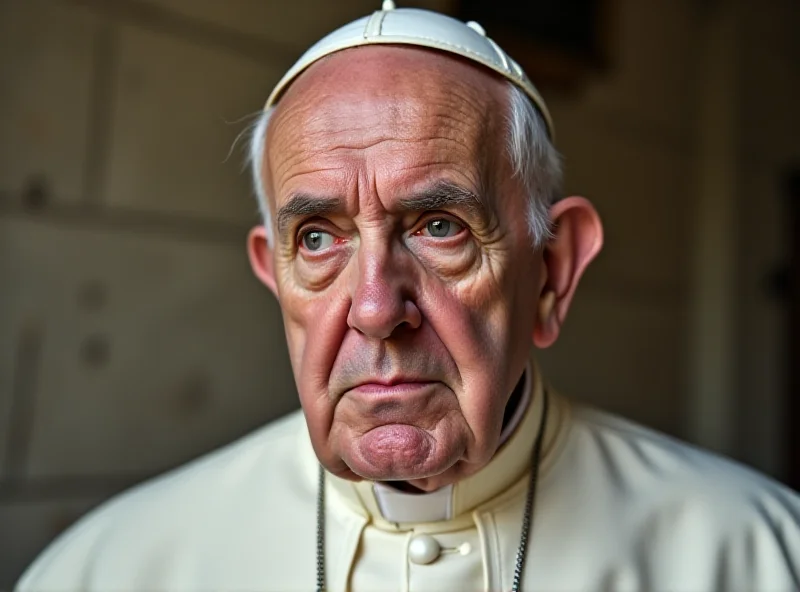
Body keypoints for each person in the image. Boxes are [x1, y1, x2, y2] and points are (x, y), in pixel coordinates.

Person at [17, 3, 800, 591]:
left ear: (552, 272)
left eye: (438, 225)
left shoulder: (761, 554)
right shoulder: (110, 567)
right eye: (318, 239)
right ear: (274, 276)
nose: (374, 308)